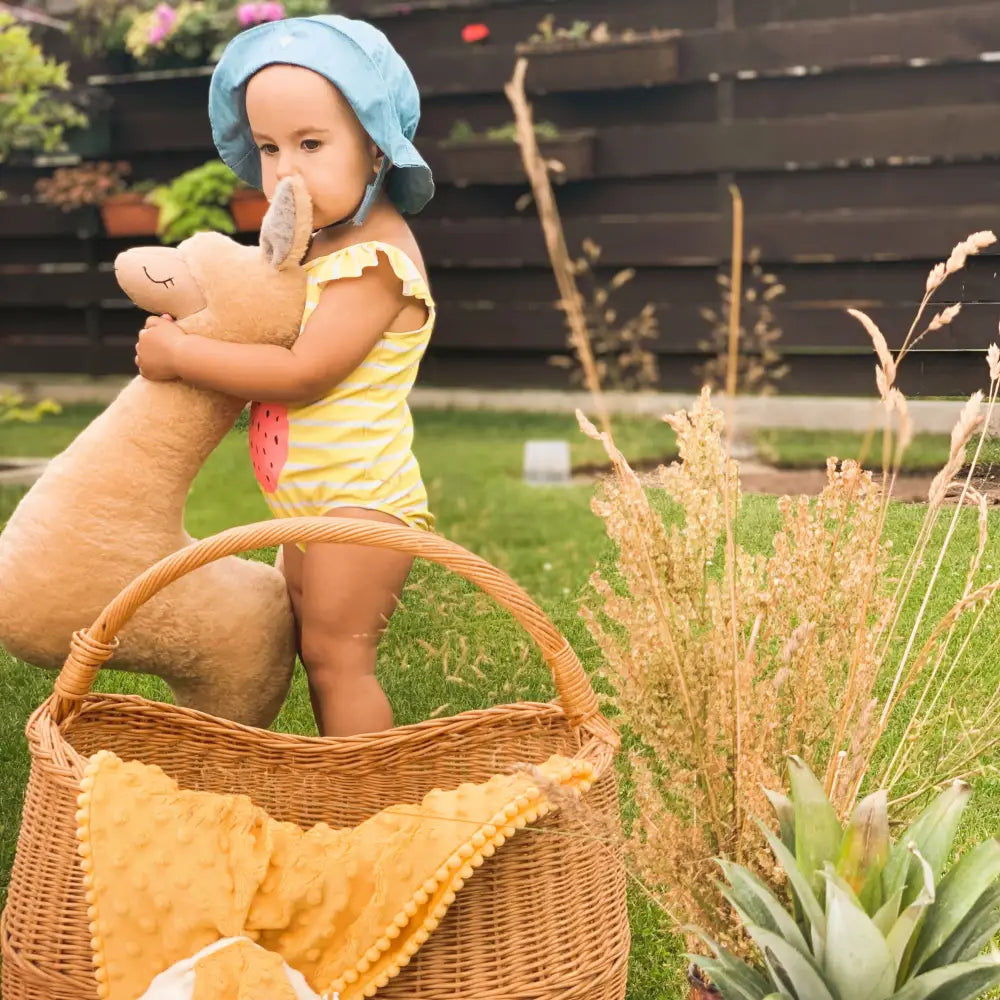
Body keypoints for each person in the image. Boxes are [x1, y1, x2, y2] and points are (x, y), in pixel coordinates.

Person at [134, 15, 436, 738]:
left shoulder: (375, 262)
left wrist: (184, 358)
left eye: (310, 143)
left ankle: (369, 806)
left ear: (375, 146)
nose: (285, 172)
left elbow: (303, 373)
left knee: (340, 656)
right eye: (269, 148)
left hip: (360, 503)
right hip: (311, 501)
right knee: (311, 649)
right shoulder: (325, 245)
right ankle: (338, 789)